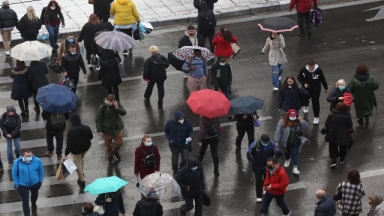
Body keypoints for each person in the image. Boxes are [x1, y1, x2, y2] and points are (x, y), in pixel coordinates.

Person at [247, 134, 280, 203]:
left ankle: (265, 189)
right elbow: (249, 154)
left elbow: (277, 152)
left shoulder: (271, 144)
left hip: (267, 167)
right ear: (261, 141)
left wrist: (272, 162)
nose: (267, 144)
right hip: (257, 166)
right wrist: (253, 162)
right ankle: (259, 196)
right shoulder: (254, 145)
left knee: (267, 179)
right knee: (258, 181)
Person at [274, 109, 308, 174]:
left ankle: (295, 168)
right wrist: (277, 141)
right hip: (285, 141)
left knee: (294, 154)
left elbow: (306, 128)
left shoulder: (298, 121)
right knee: (286, 151)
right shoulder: (282, 122)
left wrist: (302, 121)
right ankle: (287, 159)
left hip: (295, 141)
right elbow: (278, 132)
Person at [96, 94, 127, 164]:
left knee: (120, 143)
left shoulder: (117, 104)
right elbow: (98, 119)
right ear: (107, 100)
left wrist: (117, 108)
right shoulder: (102, 107)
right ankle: (110, 155)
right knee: (108, 144)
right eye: (109, 102)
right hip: (107, 130)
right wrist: (99, 130)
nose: (110, 104)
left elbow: (124, 112)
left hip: (117, 128)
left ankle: (115, 152)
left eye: (112, 102)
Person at [12, 149, 44, 216]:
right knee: (25, 202)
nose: (29, 157)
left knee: (34, 195)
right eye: (27, 156)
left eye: (30, 156)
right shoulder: (17, 162)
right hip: (22, 185)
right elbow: (14, 173)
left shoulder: (37, 160)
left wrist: (40, 181)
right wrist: (17, 184)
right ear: (24, 155)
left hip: (35, 183)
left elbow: (41, 171)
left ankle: (33, 203)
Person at [64, 114, 93, 186]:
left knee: (77, 164)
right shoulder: (86, 127)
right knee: (82, 159)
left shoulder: (71, 131)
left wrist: (65, 153)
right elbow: (91, 136)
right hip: (85, 148)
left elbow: (69, 145)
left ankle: (81, 180)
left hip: (76, 151)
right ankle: (82, 173)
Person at [297, 60, 329, 124]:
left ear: (314, 65)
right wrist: (304, 83)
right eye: (310, 67)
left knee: (315, 103)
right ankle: (306, 106)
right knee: (305, 99)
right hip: (306, 89)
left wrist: (326, 87)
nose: (311, 68)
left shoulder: (319, 70)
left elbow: (322, 79)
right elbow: (299, 77)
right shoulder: (304, 70)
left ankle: (316, 117)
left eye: (312, 67)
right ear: (308, 65)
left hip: (316, 89)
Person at [324, 102, 354, 168]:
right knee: (343, 147)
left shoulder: (332, 114)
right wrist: (351, 133)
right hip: (344, 134)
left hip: (332, 133)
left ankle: (333, 160)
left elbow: (326, 123)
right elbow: (350, 126)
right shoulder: (348, 116)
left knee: (332, 147)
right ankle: (342, 159)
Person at [164, 111, 193, 176]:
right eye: (180, 118)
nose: (182, 120)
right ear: (176, 118)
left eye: (183, 118)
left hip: (184, 145)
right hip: (174, 145)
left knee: (185, 159)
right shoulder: (170, 123)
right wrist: (170, 139)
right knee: (174, 159)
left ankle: (182, 168)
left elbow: (190, 130)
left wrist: (190, 136)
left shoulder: (187, 122)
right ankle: (175, 170)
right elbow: (166, 131)